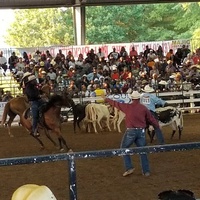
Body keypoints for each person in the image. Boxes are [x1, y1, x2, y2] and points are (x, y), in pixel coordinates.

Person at [103, 91, 160, 177]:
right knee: (143, 151)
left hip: (131, 131)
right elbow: (151, 119)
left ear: (132, 98)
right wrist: (157, 126)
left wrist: (106, 99)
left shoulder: (127, 107)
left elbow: (116, 103)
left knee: (123, 148)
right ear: (139, 98)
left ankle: (129, 167)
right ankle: (146, 171)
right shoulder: (143, 108)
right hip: (141, 131)